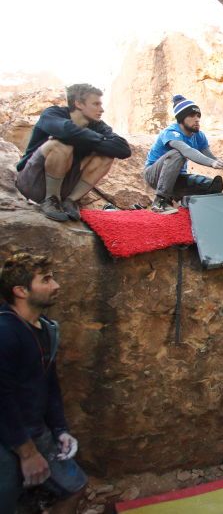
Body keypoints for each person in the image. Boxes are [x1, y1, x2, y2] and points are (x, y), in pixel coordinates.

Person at [0, 253, 86, 514]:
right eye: (46, 280)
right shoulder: (5, 333)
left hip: (36, 430)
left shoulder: (45, 329)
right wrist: (27, 453)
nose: (56, 285)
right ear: (21, 291)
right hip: (8, 437)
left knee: (75, 487)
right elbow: (2, 398)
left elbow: (49, 383)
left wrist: (60, 428)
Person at [15, 83, 132, 222]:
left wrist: (89, 137)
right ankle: (51, 200)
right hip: (32, 182)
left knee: (106, 156)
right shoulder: (53, 113)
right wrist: (100, 140)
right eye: (96, 104)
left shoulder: (98, 126)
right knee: (60, 146)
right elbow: (65, 130)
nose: (102, 109)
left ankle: (70, 201)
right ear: (78, 103)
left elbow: (123, 149)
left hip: (65, 186)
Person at [143, 95, 223, 214]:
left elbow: (211, 159)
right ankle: (160, 201)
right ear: (181, 119)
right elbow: (187, 151)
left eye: (198, 116)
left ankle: (185, 202)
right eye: (192, 115)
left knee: (209, 185)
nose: (197, 119)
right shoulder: (171, 132)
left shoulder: (199, 136)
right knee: (177, 153)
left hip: (176, 179)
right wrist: (213, 163)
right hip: (154, 176)